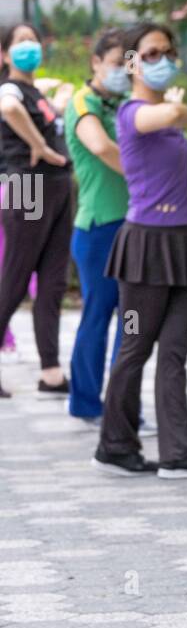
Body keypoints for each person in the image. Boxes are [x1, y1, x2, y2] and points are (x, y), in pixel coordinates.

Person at [92, 21, 187, 478]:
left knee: (174, 352)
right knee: (135, 348)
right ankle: (114, 444)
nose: (163, 60)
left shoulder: (167, 115)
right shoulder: (133, 113)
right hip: (146, 245)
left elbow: (174, 119)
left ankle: (179, 451)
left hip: (181, 241)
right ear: (130, 62)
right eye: (151, 53)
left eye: (168, 51)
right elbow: (170, 116)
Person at [65, 28, 151, 428]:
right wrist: (147, 176)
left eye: (129, 64)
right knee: (98, 316)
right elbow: (99, 147)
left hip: (133, 224)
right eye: (117, 63)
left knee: (131, 320)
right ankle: (86, 403)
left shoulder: (122, 104)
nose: (123, 71)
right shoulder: (83, 103)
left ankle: (123, 407)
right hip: (100, 228)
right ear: (95, 62)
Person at [0, 21, 72, 399]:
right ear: (4, 53)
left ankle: (51, 371)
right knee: (14, 277)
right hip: (25, 185)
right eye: (21, 41)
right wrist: (39, 147)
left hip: (57, 185)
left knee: (52, 281)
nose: (30, 46)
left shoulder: (34, 91)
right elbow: (8, 107)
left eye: (34, 39)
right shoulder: (12, 88)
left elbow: (44, 115)